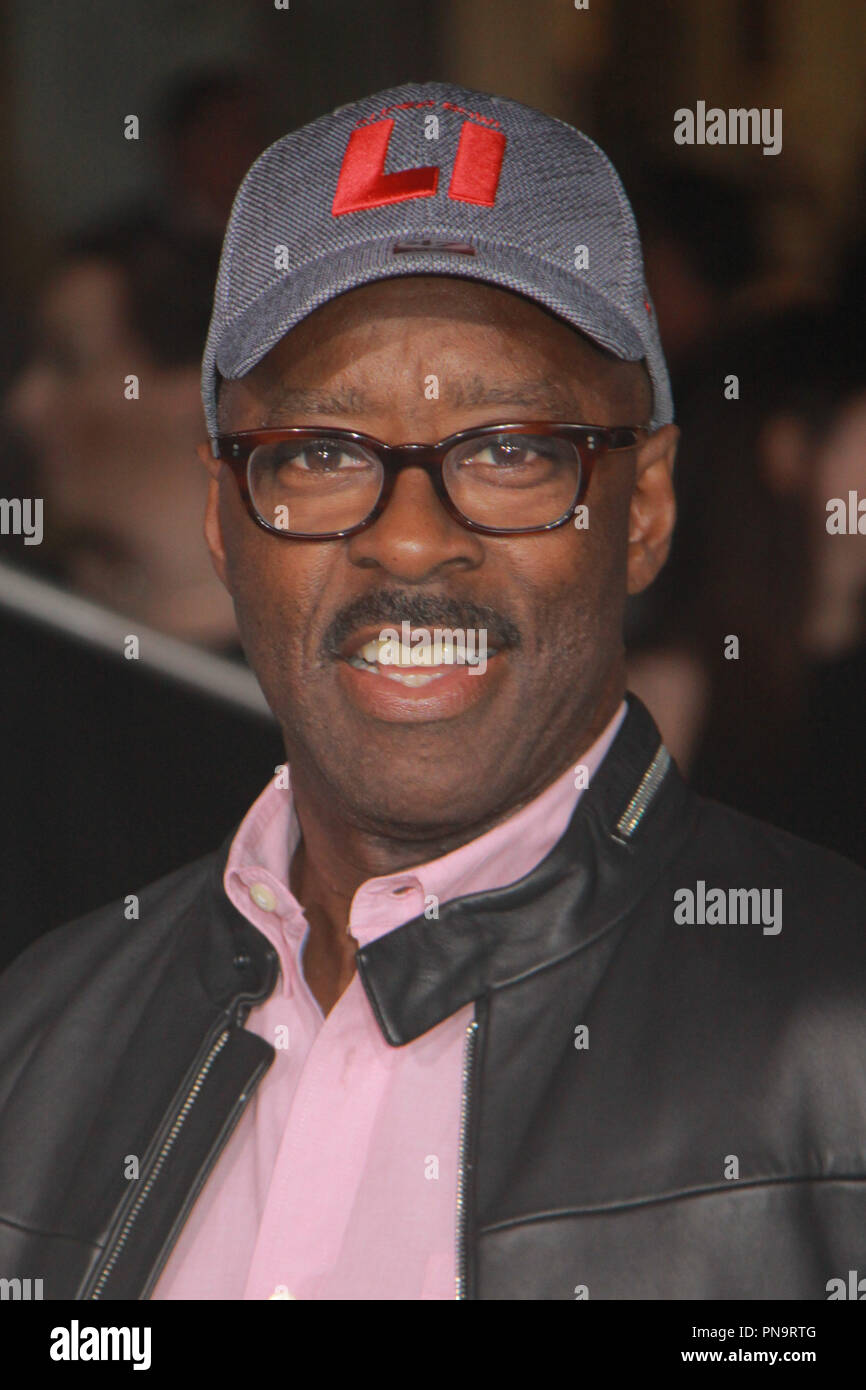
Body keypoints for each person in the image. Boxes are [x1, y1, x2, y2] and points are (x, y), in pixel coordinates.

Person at [0, 81, 864, 1302]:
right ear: (221, 516)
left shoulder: (836, 1041)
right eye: (320, 451)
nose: (408, 539)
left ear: (644, 507)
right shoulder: (38, 1045)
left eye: (509, 450)